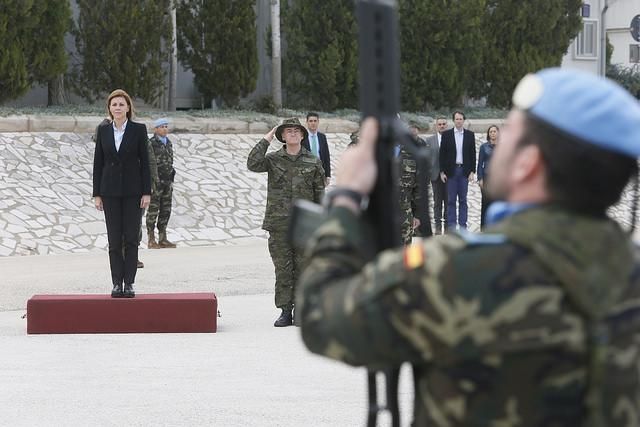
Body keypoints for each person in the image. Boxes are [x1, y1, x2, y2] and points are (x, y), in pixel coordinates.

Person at [297, 68, 640, 425]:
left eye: (511, 133)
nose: (499, 141)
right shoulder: (630, 272)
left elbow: (321, 316)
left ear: (529, 164)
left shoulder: (462, 270)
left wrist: (347, 197)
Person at [247, 118, 325, 327]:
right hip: (279, 223)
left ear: (302, 135)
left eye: (296, 131)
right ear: (282, 136)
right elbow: (252, 163)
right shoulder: (273, 159)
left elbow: (320, 195)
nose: (292, 134)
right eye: (287, 131)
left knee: (303, 268)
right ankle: (284, 311)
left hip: (305, 225)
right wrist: (267, 137)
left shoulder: (313, 161)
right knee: (282, 269)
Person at [93, 89, 151, 298]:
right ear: (109, 108)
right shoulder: (104, 131)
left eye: (121, 104)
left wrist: (147, 192)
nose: (117, 108)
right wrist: (97, 193)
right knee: (114, 239)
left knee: (131, 239)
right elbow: (98, 163)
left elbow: (145, 162)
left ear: (128, 108)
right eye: (114, 104)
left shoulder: (138, 129)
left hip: (133, 192)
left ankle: (130, 282)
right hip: (109, 192)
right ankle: (117, 282)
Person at [439, 111, 476, 231]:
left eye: (461, 119)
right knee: (451, 200)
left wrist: (472, 171)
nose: (459, 121)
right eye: (456, 119)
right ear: (453, 120)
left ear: (463, 120)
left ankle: (463, 226)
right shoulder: (447, 135)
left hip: (464, 171)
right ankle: (451, 227)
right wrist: (442, 172)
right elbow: (442, 155)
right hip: (451, 171)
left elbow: (472, 154)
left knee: (463, 200)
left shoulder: (470, 135)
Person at [146, 118, 177, 249]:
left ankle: (163, 237)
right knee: (153, 209)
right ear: (156, 129)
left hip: (167, 181)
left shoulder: (168, 143)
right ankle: (151, 238)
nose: (165, 129)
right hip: (156, 183)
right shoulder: (151, 143)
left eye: (166, 126)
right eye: (162, 126)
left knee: (166, 209)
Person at [425, 117, 448, 234]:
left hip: (449, 176)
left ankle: (448, 228)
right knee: (437, 202)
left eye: (444, 124)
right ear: (436, 126)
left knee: (449, 202)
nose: (442, 126)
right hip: (435, 175)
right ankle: (438, 228)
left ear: (447, 125)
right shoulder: (429, 140)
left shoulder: (451, 139)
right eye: (440, 124)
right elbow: (426, 158)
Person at [477, 124, 499, 229]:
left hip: (498, 179)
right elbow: (480, 164)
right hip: (486, 178)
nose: (493, 133)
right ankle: (484, 227)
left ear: (498, 133)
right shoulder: (484, 147)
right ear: (488, 134)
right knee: (485, 202)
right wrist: (480, 178)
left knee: (497, 202)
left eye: (494, 131)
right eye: (491, 132)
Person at [302, 112, 331, 186]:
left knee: (320, 196)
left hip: (320, 172)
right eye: (311, 121)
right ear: (307, 122)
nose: (313, 123)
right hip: (306, 173)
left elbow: (326, 157)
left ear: (318, 122)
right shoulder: (302, 138)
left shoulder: (322, 137)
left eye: (315, 121)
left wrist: (328, 175)